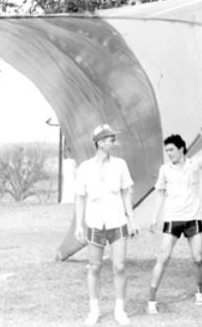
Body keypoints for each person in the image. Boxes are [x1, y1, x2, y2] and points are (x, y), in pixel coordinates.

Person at [147, 130, 202, 314]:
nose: (169, 153)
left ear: (181, 149)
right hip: (172, 218)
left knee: (198, 258)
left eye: (171, 150)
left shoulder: (194, 163)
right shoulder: (165, 169)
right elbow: (160, 194)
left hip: (193, 218)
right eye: (167, 150)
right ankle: (151, 300)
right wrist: (154, 218)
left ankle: (199, 292)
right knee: (163, 257)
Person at [74, 124, 139, 326]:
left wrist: (132, 219)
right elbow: (80, 198)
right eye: (111, 140)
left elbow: (126, 192)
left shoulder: (120, 164)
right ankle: (94, 310)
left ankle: (120, 310)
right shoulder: (84, 168)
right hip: (94, 224)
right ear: (100, 143)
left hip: (117, 222)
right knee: (95, 267)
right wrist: (79, 225)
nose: (114, 143)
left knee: (119, 267)